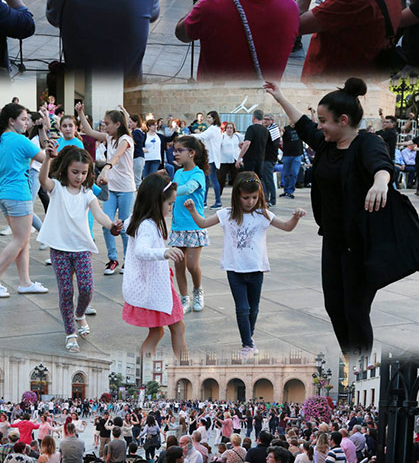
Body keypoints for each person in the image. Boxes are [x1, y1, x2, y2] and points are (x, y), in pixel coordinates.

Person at [265, 77, 419, 352]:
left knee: (355, 311)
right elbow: (303, 124)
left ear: (343, 120)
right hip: (333, 240)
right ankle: (351, 364)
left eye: (324, 121)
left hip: (360, 245)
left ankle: (362, 372)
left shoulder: (366, 142)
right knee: (334, 307)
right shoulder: (326, 143)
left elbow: (380, 163)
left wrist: (380, 182)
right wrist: (280, 96)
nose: (319, 126)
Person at [185, 171, 304, 355]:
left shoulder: (263, 214)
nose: (250, 201)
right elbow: (202, 223)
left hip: (256, 269)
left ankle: (250, 337)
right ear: (237, 196)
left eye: (255, 197)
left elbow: (287, 226)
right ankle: (247, 344)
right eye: (246, 197)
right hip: (234, 269)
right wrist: (193, 210)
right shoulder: (227, 214)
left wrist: (295, 217)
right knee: (242, 308)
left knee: (254, 309)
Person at [37, 144, 121, 351]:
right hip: (59, 249)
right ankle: (70, 332)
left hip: (82, 248)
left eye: (84, 173)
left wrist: (111, 225)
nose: (79, 177)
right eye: (75, 172)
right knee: (66, 291)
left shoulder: (87, 193)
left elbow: (99, 214)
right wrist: (47, 159)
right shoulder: (57, 187)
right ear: (65, 168)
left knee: (86, 288)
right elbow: (43, 181)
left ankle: (80, 315)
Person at [0, 102, 48, 299]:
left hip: (4, 195)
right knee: (21, 239)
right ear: (11, 120)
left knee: (23, 241)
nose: (27, 123)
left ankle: (25, 282)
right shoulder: (21, 141)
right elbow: (45, 158)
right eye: (23, 119)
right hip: (19, 194)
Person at [121, 173, 186, 359]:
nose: (171, 208)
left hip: (152, 286)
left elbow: (127, 224)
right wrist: (163, 252)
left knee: (158, 332)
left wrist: (120, 224)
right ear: (155, 201)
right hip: (156, 287)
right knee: (177, 328)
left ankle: (144, 375)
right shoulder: (148, 225)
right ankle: (186, 371)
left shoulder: (139, 219)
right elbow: (141, 250)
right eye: (169, 203)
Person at [75, 104, 135, 274]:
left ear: (117, 124)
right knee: (108, 224)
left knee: (124, 225)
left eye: (107, 123)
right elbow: (91, 133)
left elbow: (117, 155)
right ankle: (112, 259)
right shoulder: (110, 138)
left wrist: (106, 168)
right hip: (111, 188)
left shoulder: (126, 139)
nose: (104, 126)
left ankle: (128, 260)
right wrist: (80, 114)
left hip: (126, 189)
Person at [168, 136, 208, 315]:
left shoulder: (198, 174)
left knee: (192, 265)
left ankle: (198, 291)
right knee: (178, 265)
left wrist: (169, 189)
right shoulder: (177, 173)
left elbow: (189, 188)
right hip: (178, 226)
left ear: (192, 153)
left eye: (179, 150)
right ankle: (184, 298)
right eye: (174, 150)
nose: (175, 154)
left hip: (194, 225)